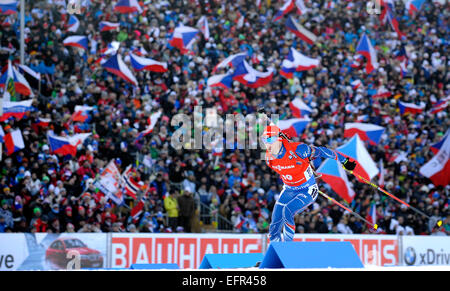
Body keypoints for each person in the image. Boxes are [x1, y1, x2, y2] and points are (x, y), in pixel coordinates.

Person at [261, 124, 357, 242]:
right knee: (275, 222)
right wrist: (306, 169)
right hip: (289, 189)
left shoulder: (298, 150)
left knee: (287, 211)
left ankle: (286, 249)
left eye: (270, 139)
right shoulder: (268, 158)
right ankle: (275, 252)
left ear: (279, 139)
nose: (267, 144)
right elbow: (287, 170)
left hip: (307, 189)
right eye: (264, 140)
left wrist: (344, 161)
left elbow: (322, 151)